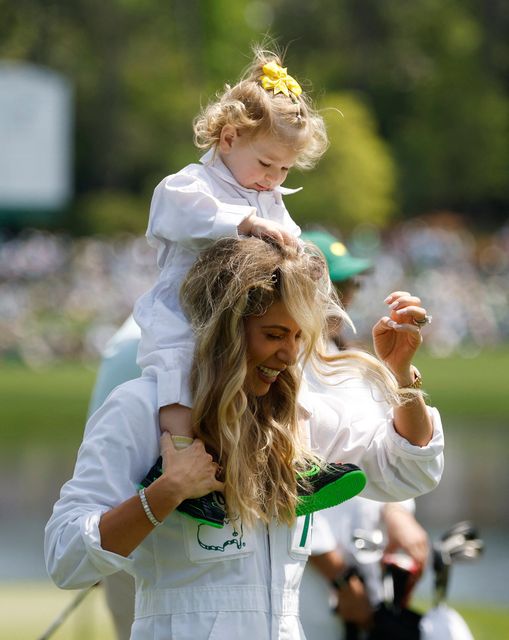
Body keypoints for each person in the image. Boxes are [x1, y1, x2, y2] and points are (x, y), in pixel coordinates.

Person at [46, 236, 443, 640]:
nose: (289, 355)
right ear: (225, 330)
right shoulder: (143, 409)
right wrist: (166, 493)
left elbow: (408, 472)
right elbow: (66, 558)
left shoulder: (296, 414)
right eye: (273, 335)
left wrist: (401, 376)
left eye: (297, 336)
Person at [131, 46, 365, 527]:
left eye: (284, 170)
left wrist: (310, 271)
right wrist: (243, 224)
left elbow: (292, 243)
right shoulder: (190, 186)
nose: (273, 179)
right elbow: (178, 217)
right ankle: (177, 463)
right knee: (178, 375)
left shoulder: (270, 196)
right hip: (185, 316)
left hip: (242, 321)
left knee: (288, 369)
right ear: (229, 138)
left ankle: (295, 464)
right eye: (266, 164)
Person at [298, 230, 430, 639]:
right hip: (310, 571)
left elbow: (385, 449)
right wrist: (336, 574)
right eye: (333, 287)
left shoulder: (353, 362)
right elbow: (288, 481)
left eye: (350, 285)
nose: (345, 297)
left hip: (360, 558)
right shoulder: (285, 369)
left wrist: (397, 513)